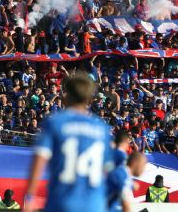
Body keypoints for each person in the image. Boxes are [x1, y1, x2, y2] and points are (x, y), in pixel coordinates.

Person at [25, 73, 113, 212]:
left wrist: (29, 198)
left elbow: (39, 161)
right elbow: (109, 170)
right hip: (94, 205)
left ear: (67, 95)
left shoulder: (55, 122)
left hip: (62, 202)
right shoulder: (101, 128)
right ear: (89, 99)